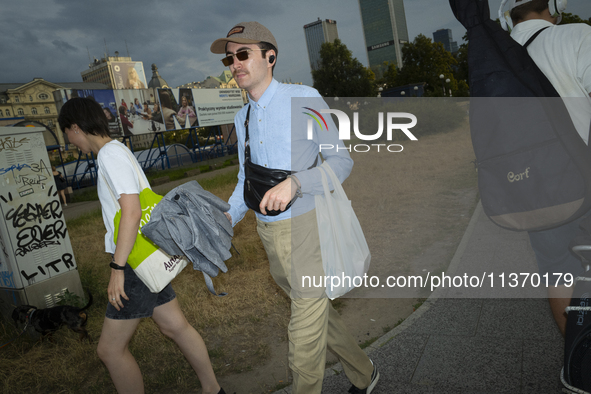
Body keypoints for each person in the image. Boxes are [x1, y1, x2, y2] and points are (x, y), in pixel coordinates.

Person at [210, 22, 379, 394]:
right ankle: (365, 374)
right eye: (230, 57)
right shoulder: (243, 118)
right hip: (269, 236)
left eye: (243, 54)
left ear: (270, 57)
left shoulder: (304, 99)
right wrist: (227, 216)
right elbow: (245, 180)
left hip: (308, 229)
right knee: (315, 312)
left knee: (302, 335)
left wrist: (297, 182)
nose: (234, 63)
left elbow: (340, 160)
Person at [57, 97, 225, 394]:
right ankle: (214, 390)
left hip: (133, 260)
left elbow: (132, 211)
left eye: (67, 134)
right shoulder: (117, 150)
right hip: (145, 253)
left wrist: (117, 268)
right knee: (174, 326)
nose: (69, 142)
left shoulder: (109, 154)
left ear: (74, 127)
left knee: (109, 351)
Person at [507, 0, 591, 336]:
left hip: (534, 186)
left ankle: (577, 364)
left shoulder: (498, 56)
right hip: (583, 178)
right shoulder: (576, 36)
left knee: (558, 271)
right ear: (555, 5)